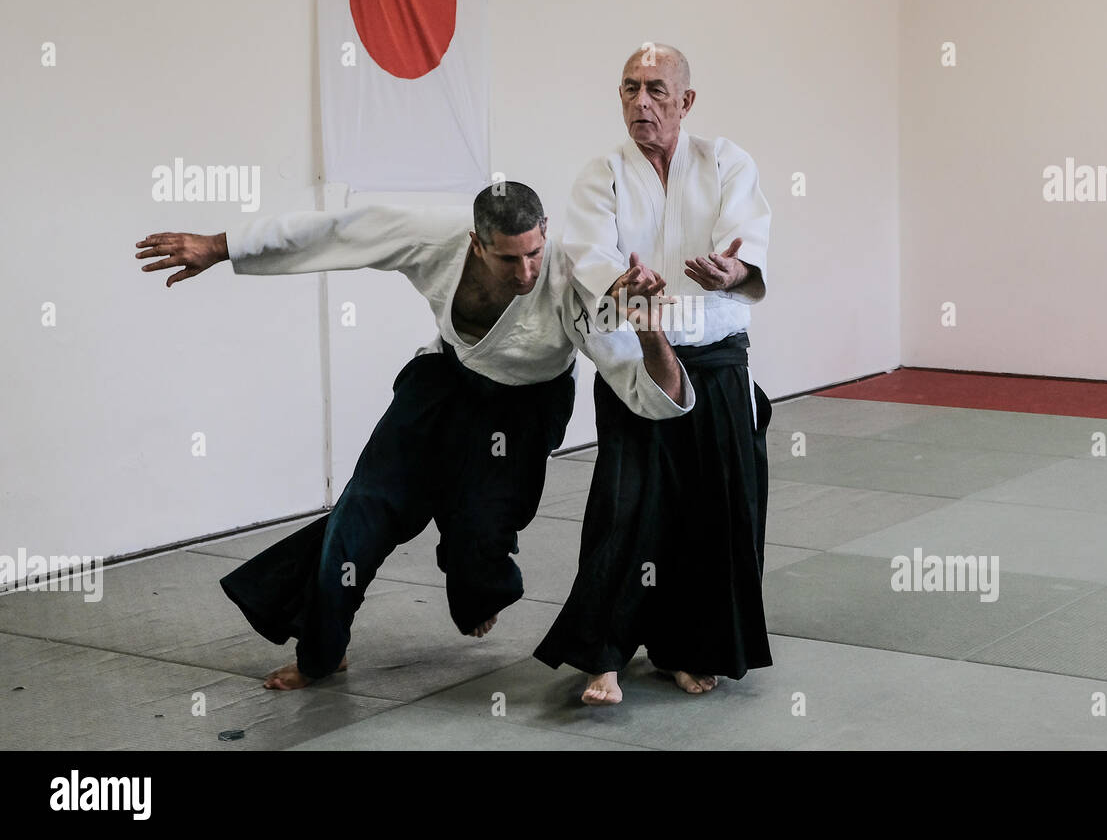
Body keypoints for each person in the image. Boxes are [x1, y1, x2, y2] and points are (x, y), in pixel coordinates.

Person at [134, 181, 692, 690]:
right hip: (442, 387)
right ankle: (321, 653)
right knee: (364, 512)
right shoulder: (433, 238)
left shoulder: (576, 280)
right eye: (507, 258)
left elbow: (644, 388)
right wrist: (222, 245)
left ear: (545, 235)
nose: (525, 273)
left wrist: (650, 332)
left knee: (481, 534)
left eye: (534, 253)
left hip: (523, 411)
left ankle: (479, 588)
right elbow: (337, 231)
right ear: (476, 243)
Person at [534, 44, 774, 705]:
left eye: (657, 90)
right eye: (631, 89)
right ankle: (603, 656)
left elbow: (746, 236)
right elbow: (588, 249)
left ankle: (686, 650)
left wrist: (734, 270)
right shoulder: (601, 173)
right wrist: (620, 279)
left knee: (713, 510)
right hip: (636, 357)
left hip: (715, 358)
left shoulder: (725, 160)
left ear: (686, 101)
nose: (642, 102)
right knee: (626, 504)